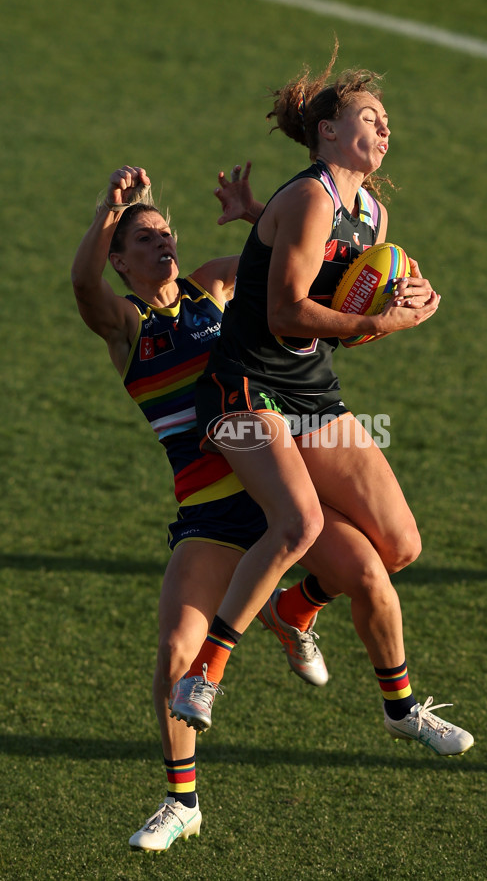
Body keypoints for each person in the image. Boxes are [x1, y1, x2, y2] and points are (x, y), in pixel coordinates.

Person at [71, 162, 448, 854]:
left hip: (279, 484)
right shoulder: (125, 327)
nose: (164, 244)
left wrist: (256, 216)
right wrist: (109, 207)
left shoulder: (214, 287)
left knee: (373, 568)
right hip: (213, 515)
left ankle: (376, 684)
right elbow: (81, 286)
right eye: (146, 239)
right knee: (175, 652)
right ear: (121, 260)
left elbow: (283, 267)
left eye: (166, 234)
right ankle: (181, 802)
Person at [175, 44, 474, 763]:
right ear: (329, 134)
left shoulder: (368, 210)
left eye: (387, 121)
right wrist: (378, 323)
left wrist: (410, 295)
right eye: (369, 118)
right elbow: (282, 313)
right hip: (246, 386)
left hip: (311, 393)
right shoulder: (311, 195)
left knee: (397, 548)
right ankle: (203, 674)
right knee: (300, 522)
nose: (385, 129)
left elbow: (334, 276)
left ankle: (301, 609)